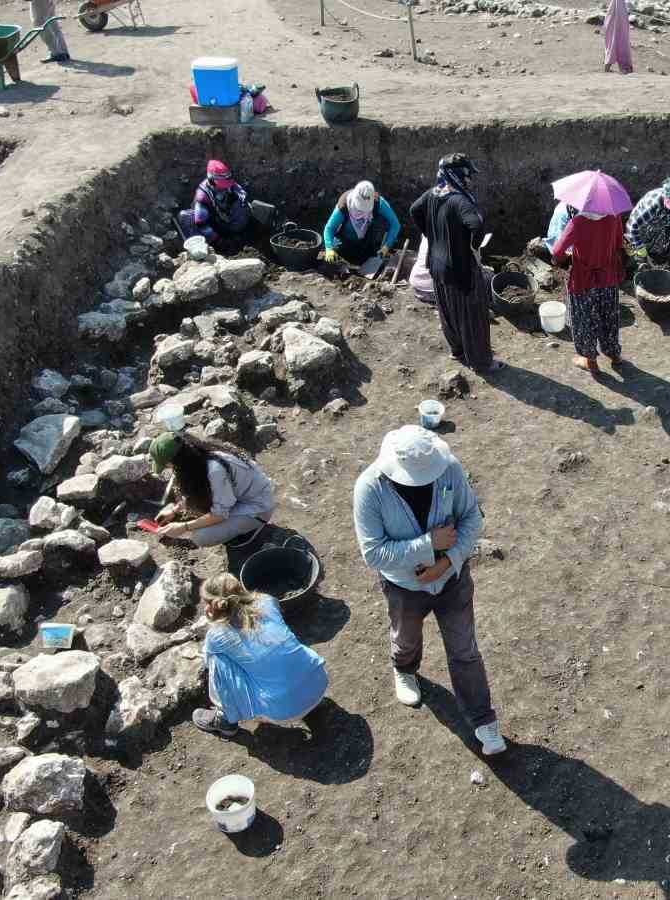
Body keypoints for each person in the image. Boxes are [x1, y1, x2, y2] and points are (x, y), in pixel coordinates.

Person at [352, 426, 506, 756]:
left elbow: (471, 518)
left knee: (465, 649)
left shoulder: (449, 468)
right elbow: (373, 554)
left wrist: (447, 562)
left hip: (453, 580)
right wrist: (428, 545)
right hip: (404, 587)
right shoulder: (369, 488)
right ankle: (404, 670)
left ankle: (483, 719)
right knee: (406, 638)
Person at [192, 573, 331, 737]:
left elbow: (208, 661)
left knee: (217, 660)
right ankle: (308, 700)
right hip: (318, 682)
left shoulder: (217, 634)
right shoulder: (267, 601)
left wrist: (212, 622)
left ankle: (225, 719)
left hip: (285, 711)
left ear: (212, 606)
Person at [410, 153, 501, 374]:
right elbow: (476, 226)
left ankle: (458, 351)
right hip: (460, 269)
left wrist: (432, 235)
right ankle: (481, 363)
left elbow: (414, 210)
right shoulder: (460, 200)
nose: (470, 180)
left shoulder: (434, 193)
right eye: (467, 175)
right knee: (473, 316)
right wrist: (473, 246)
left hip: (436, 265)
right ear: (457, 175)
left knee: (448, 311)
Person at [150, 431, 275, 548]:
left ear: (178, 460)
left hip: (258, 508)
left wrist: (184, 526)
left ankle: (251, 528)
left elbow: (219, 515)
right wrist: (174, 510)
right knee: (200, 506)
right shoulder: (197, 457)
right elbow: (199, 490)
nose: (169, 468)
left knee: (200, 537)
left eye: (167, 465)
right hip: (240, 496)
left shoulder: (215, 470)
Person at [552, 208, 626, 372]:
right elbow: (619, 243)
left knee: (585, 319)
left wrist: (571, 255)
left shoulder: (578, 222)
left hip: (583, 280)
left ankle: (590, 360)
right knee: (609, 316)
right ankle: (614, 355)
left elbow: (557, 252)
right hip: (608, 277)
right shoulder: (614, 216)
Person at [322, 181, 402, 267]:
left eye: (366, 210)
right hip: (346, 239)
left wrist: (387, 246)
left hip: (369, 239)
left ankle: (369, 253)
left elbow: (395, 224)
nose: (362, 212)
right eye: (360, 209)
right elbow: (329, 228)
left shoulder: (379, 203)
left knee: (370, 254)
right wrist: (329, 248)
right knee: (332, 257)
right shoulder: (344, 205)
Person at [178, 160, 253, 249]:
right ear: (211, 180)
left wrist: (240, 199)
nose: (225, 186)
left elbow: (240, 191)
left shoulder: (228, 183)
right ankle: (207, 247)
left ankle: (237, 233)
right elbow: (201, 224)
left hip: (223, 220)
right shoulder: (202, 196)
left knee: (241, 205)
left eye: (226, 183)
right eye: (222, 184)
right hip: (209, 223)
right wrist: (218, 240)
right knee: (185, 217)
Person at [604, 0, 633, 73]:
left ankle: (608, 67)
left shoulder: (616, 4)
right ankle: (625, 68)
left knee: (613, 44)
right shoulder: (618, 4)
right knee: (620, 43)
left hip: (614, 25)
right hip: (617, 26)